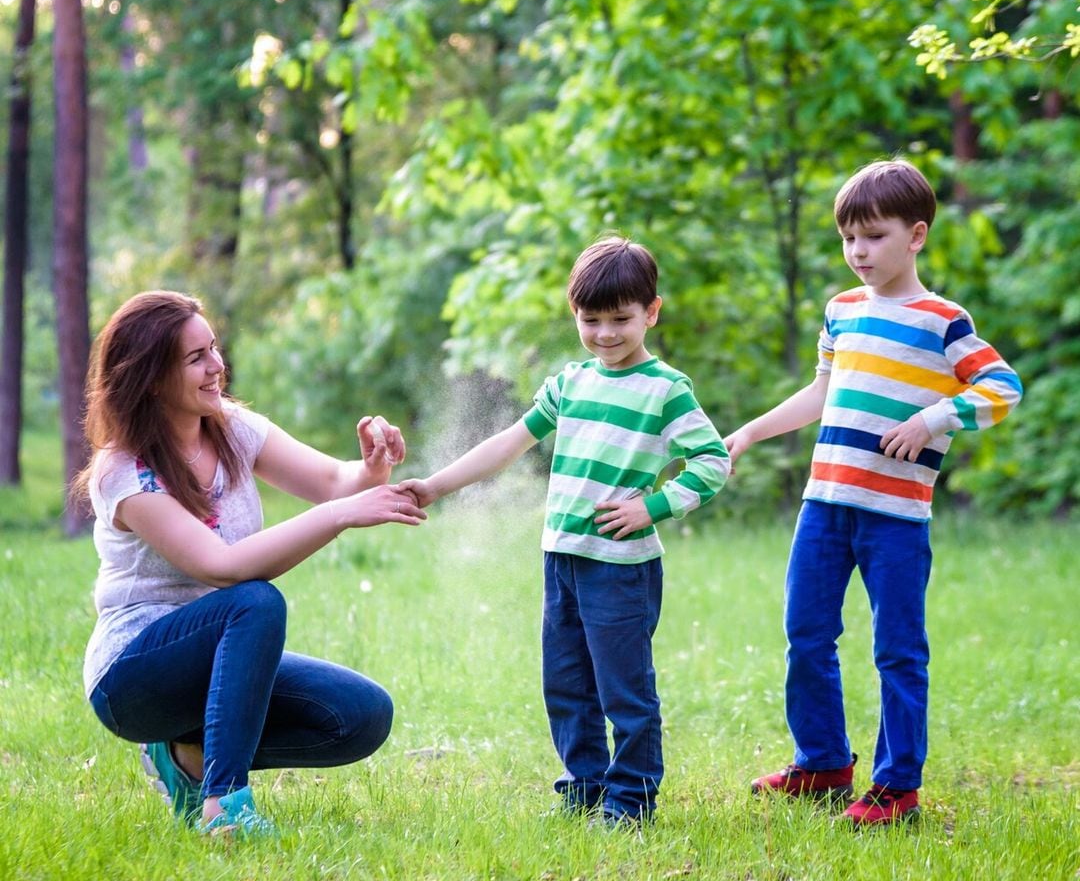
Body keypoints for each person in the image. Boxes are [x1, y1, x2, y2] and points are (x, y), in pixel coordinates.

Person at [724, 159, 1023, 827]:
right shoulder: (842, 310)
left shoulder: (942, 321)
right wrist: (749, 432)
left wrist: (933, 419)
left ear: (916, 236)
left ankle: (896, 787)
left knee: (897, 650)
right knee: (806, 635)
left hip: (895, 518)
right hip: (824, 505)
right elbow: (820, 392)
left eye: (875, 236)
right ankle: (824, 763)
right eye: (848, 238)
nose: (858, 251)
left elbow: (1004, 388)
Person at [399, 236, 730, 826]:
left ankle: (630, 802)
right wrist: (436, 486)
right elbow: (507, 444)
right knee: (567, 684)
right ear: (574, 314)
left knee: (624, 692)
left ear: (652, 312)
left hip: (621, 567)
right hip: (563, 560)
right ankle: (585, 787)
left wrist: (653, 507)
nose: (605, 333)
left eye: (621, 319)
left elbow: (712, 461)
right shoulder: (570, 383)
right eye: (591, 319)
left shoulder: (666, 390)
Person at [76, 291, 426, 836]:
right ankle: (225, 806)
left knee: (361, 715)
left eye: (213, 348)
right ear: (149, 378)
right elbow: (223, 567)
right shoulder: (124, 471)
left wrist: (371, 468)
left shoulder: (230, 427)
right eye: (196, 358)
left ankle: (188, 757)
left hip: (218, 658)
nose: (217, 366)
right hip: (134, 677)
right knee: (252, 602)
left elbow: (335, 482)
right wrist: (340, 516)